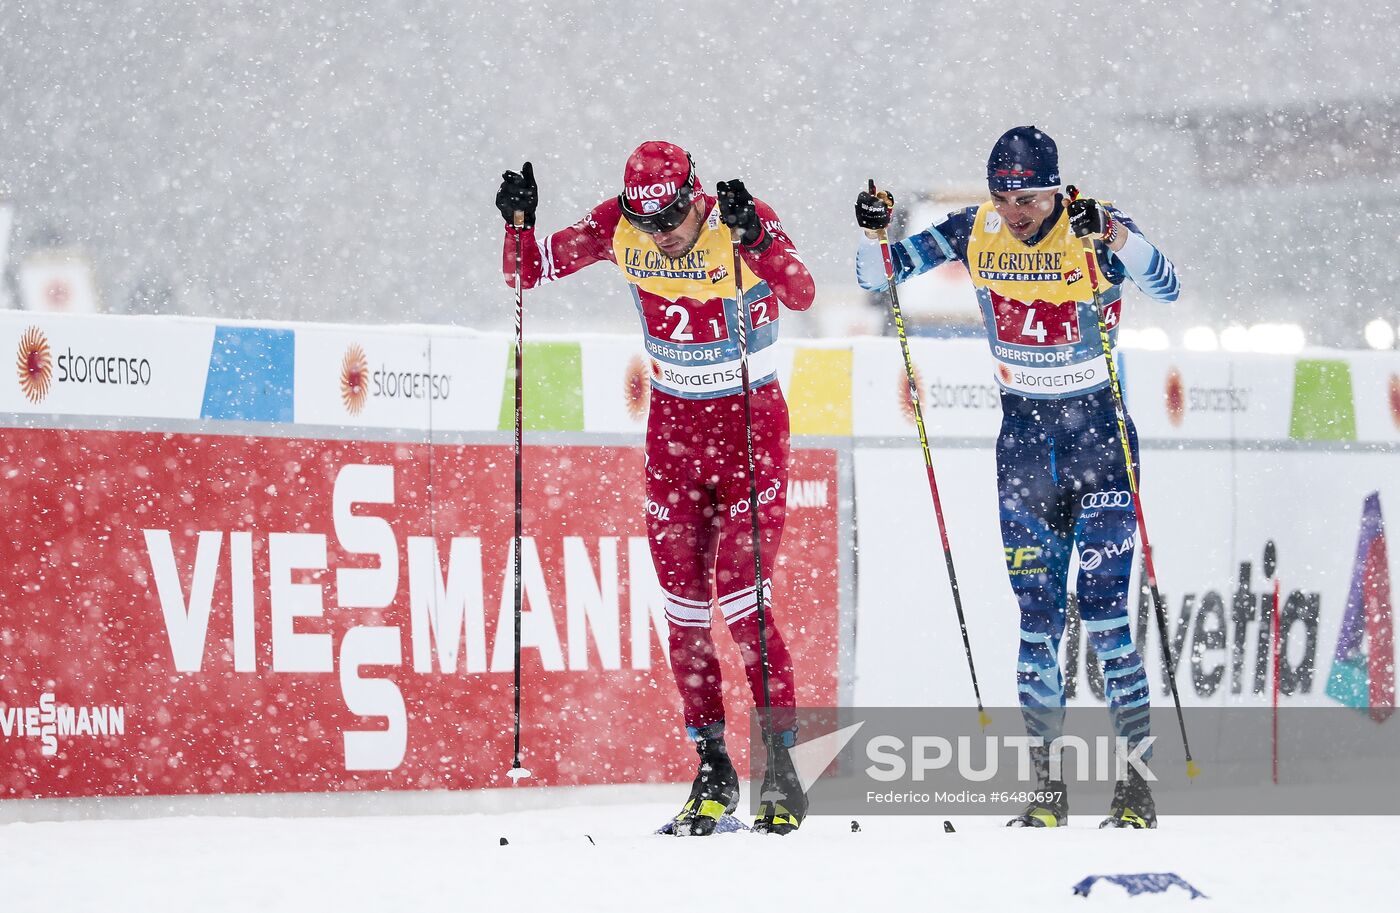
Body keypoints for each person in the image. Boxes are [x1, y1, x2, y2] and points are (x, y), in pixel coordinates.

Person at [853, 126, 1180, 829]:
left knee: (1105, 616)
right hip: (1026, 449)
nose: (1015, 211)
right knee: (1037, 621)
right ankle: (1046, 789)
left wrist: (1119, 238)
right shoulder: (977, 230)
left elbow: (1169, 284)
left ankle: (1137, 786)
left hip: (1099, 447)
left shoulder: (1094, 227)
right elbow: (873, 275)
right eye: (1003, 196)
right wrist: (874, 234)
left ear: (1057, 189)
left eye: (1027, 197)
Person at [496, 141, 816, 835]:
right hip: (673, 432)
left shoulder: (739, 218)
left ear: (695, 196)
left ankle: (784, 769)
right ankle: (712, 767)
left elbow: (800, 289)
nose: (662, 236)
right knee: (682, 608)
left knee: (743, 598)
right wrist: (518, 224)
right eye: (648, 224)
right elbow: (525, 272)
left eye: (671, 218)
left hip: (749, 427)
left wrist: (757, 237)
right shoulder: (620, 222)